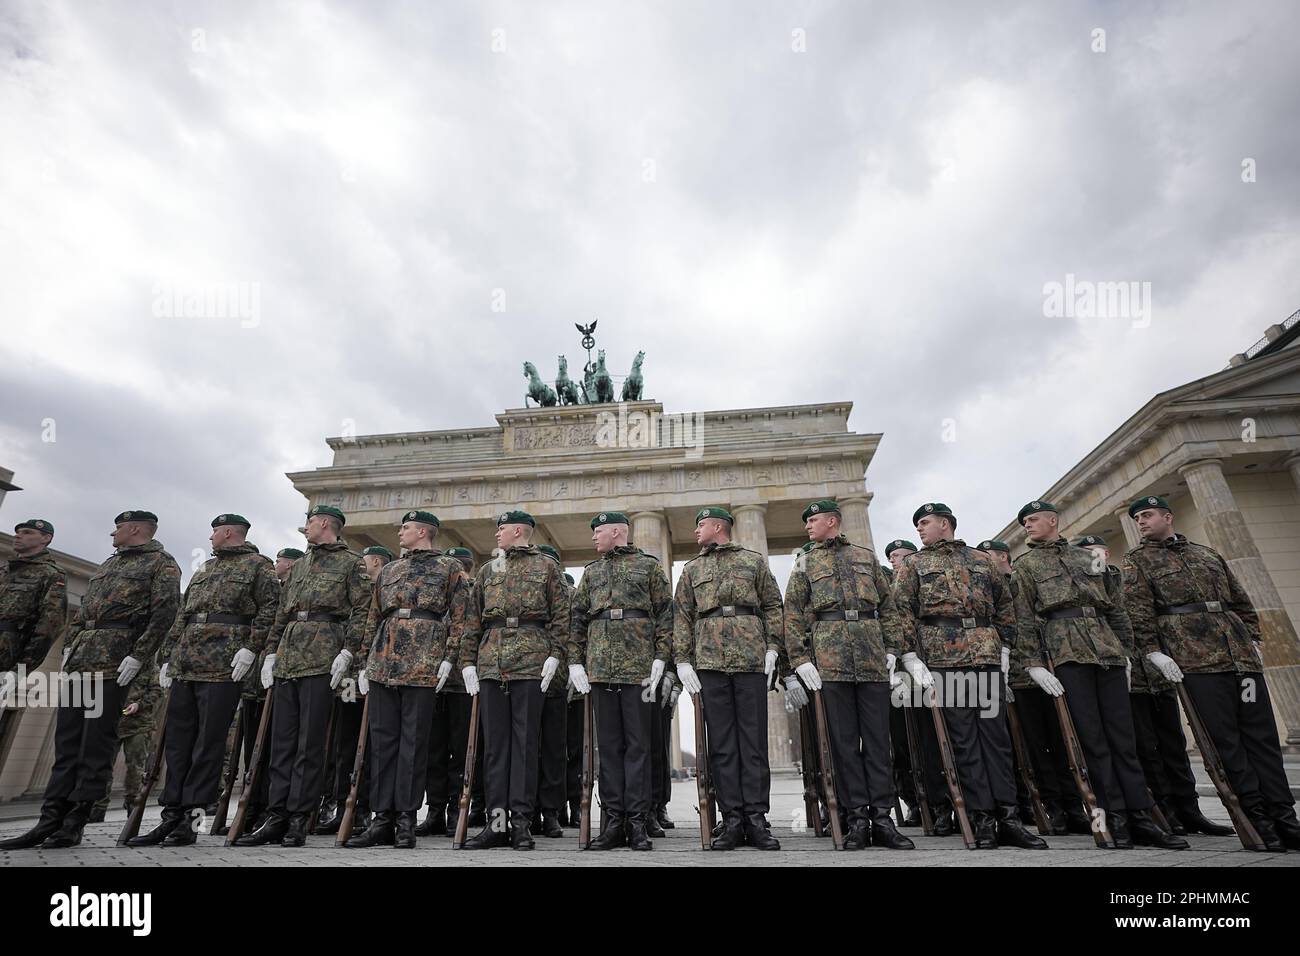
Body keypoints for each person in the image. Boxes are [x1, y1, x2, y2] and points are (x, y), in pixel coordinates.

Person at [1122, 495, 1299, 851]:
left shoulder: (1207, 554)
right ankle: (1257, 819)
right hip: (1196, 662)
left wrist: (1253, 637)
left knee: (1262, 739)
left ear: (1168, 517)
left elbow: (1240, 599)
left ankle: (1286, 818)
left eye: (1147, 515)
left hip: (1241, 660)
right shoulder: (1136, 562)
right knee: (1227, 743)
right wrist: (1152, 651)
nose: (1141, 521)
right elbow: (1138, 612)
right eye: (1137, 517)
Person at [673, 506, 784, 850]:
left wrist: (774, 647)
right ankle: (732, 819)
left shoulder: (753, 562)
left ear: (718, 526)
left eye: (701, 524)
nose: (696, 531)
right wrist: (682, 660)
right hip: (709, 663)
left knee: (753, 744)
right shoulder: (692, 569)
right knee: (721, 747)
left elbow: (772, 605)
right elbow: (682, 616)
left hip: (751, 660)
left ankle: (756, 818)